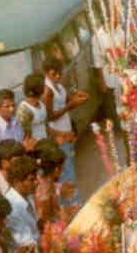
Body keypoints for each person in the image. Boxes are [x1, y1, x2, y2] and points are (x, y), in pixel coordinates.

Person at [42, 57, 87, 202]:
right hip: (59, 136)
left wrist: (77, 98)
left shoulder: (59, 87)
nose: (57, 77)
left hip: (67, 132)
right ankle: (70, 204)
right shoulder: (47, 91)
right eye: (53, 74)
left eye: (58, 74)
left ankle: (74, 201)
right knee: (66, 172)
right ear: (46, 73)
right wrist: (70, 106)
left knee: (70, 169)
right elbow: (50, 117)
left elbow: (68, 100)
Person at [5, 156, 39, 251]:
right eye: (32, 179)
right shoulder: (11, 209)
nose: (37, 182)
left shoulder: (27, 196)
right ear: (17, 182)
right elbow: (28, 246)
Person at [17, 73, 48, 141]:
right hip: (34, 146)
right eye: (44, 86)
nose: (46, 87)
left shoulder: (41, 104)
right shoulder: (24, 109)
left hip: (44, 141)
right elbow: (26, 135)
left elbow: (44, 125)